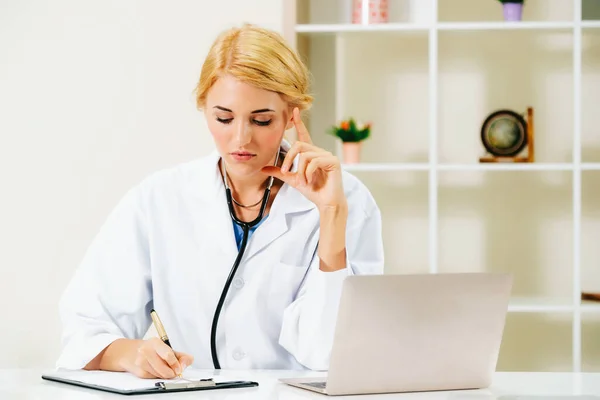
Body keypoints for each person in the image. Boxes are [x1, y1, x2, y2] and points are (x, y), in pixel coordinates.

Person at [56, 23, 384, 379]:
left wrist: (330, 216)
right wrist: (129, 354)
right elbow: (83, 328)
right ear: (204, 108)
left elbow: (329, 355)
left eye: (261, 120)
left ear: (292, 116)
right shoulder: (160, 199)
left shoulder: (347, 200)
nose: (240, 138)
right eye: (223, 118)